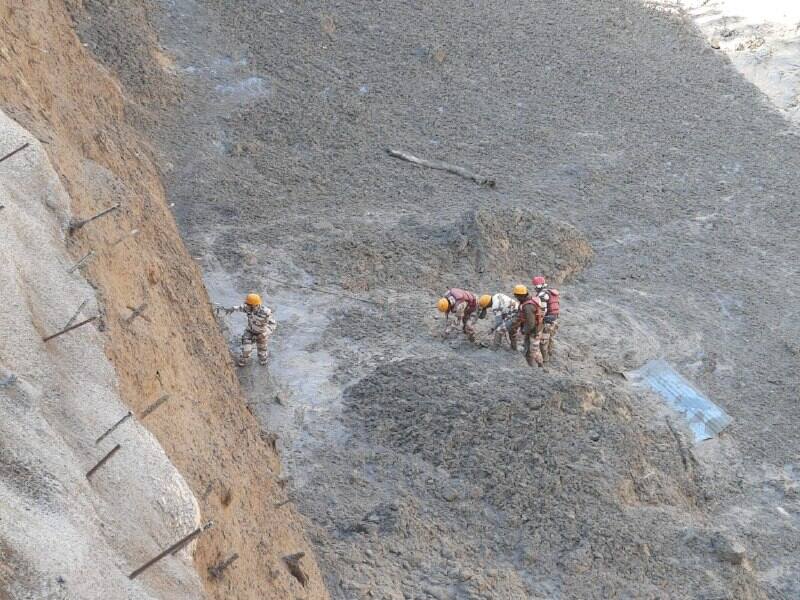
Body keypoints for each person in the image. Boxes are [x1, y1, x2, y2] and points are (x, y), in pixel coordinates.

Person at [219, 293, 277, 366]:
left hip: (261, 334)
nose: (246, 306)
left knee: (262, 357)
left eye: (249, 305)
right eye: (247, 304)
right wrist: (229, 309)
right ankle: (241, 364)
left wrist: (264, 334)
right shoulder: (248, 308)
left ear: (255, 305)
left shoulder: (266, 312)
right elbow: (239, 308)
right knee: (246, 351)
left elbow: (273, 324)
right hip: (249, 332)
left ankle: (263, 366)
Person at [510, 284, 544, 368]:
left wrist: (522, 331)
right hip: (532, 329)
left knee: (534, 351)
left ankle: (541, 367)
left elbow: (531, 323)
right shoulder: (527, 301)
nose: (516, 298)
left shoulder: (528, 306)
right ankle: (530, 365)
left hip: (534, 331)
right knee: (527, 348)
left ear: (520, 295)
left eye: (516, 296)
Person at [532, 276, 560, 361]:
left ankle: (545, 360)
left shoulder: (542, 295)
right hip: (554, 319)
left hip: (547, 322)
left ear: (537, 286)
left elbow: (543, 311)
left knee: (543, 342)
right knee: (550, 338)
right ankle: (550, 354)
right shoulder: (550, 292)